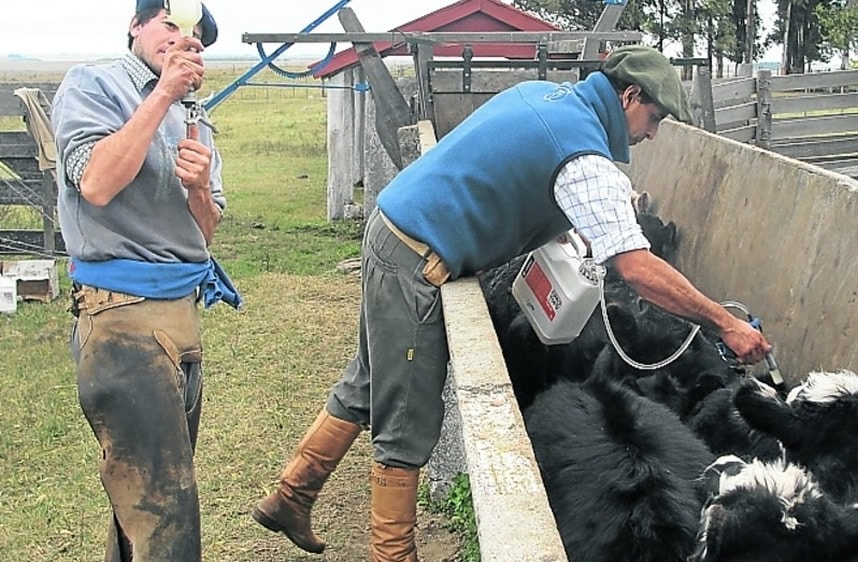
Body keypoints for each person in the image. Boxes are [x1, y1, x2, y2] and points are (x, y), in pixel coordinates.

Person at [252, 44, 771, 561]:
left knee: (368, 382)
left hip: (394, 232)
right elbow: (634, 268)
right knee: (407, 413)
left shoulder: (547, 96)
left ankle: (292, 495)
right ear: (629, 95)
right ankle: (393, 554)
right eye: (653, 117)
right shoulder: (585, 156)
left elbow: (507, 171)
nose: (652, 133)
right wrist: (725, 323)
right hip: (417, 256)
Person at [51, 1, 240, 560]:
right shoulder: (94, 85)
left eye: (199, 39)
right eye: (171, 25)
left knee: (147, 505)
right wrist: (161, 96)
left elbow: (204, 233)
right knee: (167, 513)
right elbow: (97, 183)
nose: (188, 42)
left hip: (181, 321)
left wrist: (201, 188)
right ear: (136, 26)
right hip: (122, 323)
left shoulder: (196, 116)